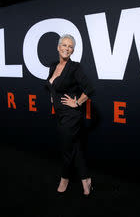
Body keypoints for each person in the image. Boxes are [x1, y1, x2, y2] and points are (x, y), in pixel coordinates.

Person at [46, 34, 95, 197]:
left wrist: (77, 102)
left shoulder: (74, 67)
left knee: (67, 149)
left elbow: (89, 89)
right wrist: (53, 97)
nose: (67, 48)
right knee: (75, 147)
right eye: (64, 45)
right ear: (58, 47)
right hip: (60, 115)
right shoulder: (53, 66)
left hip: (71, 116)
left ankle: (64, 179)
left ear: (72, 50)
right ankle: (85, 180)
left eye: (70, 46)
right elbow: (51, 85)